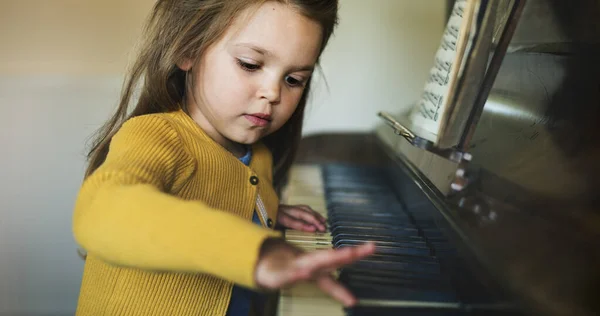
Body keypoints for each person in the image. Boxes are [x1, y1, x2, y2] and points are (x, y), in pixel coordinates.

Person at [72, 0, 375, 315]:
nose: (273, 93)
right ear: (188, 49)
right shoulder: (156, 135)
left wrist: (262, 209)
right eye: (249, 64)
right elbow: (102, 209)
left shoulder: (258, 157)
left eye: (293, 79)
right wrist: (258, 252)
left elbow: (219, 189)